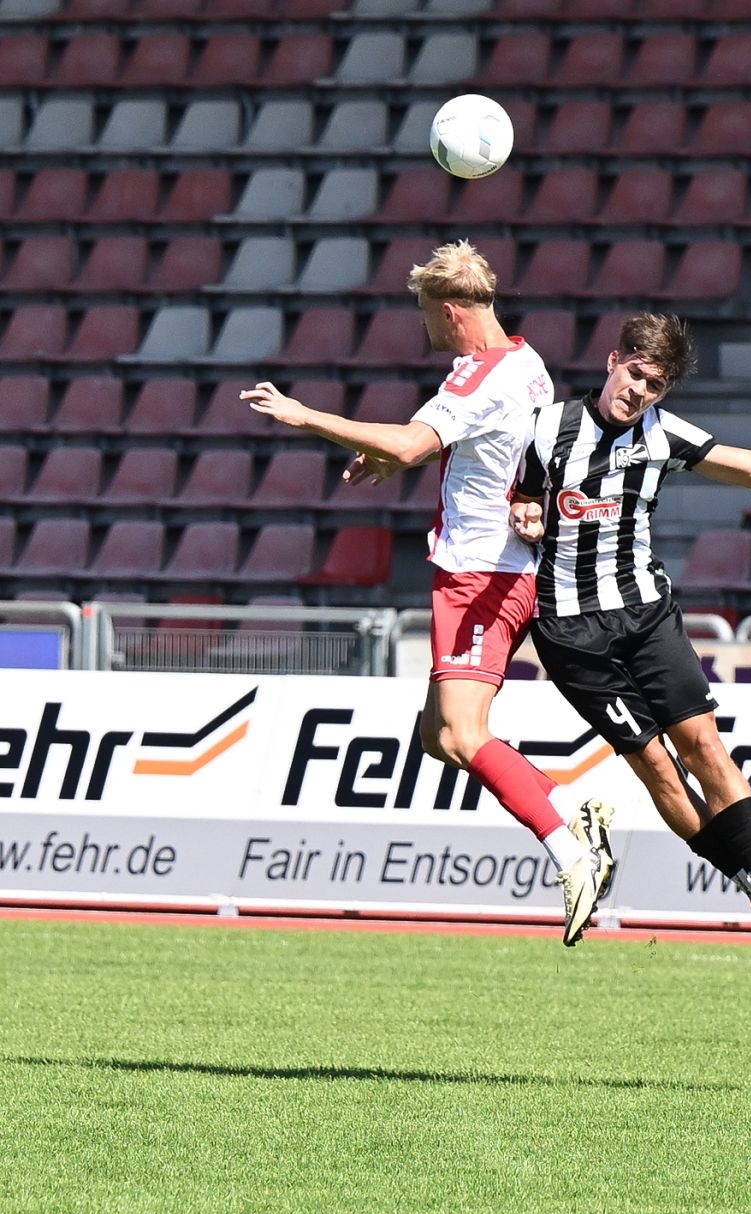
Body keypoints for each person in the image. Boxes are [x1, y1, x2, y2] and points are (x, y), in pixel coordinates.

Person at [238, 240, 615, 947]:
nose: (423, 326)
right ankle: (570, 809)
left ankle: (570, 851)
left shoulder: (478, 377)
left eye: (423, 313)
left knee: (464, 734)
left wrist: (303, 415)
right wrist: (392, 459)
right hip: (493, 569)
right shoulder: (526, 362)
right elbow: (482, 445)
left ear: (449, 310)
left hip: (483, 575)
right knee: (437, 738)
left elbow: (415, 442)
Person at [508, 312, 751, 941]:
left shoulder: (663, 434)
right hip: (571, 633)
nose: (639, 392)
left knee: (704, 745)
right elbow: (515, 493)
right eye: (635, 375)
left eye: (655, 386)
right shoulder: (545, 427)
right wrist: (524, 513)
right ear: (613, 361)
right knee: (658, 768)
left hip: (646, 614)